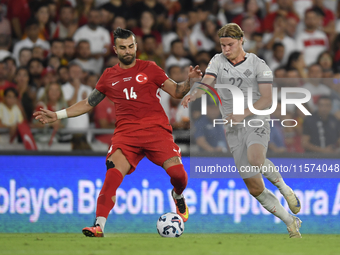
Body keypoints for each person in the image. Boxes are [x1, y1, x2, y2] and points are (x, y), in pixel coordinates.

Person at [34, 28, 202, 237]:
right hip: (126, 135)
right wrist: (57, 115)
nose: (128, 51)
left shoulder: (150, 68)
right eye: (123, 47)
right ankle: (98, 225)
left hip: (156, 131)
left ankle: (177, 196)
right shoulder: (108, 76)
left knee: (179, 176)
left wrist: (190, 82)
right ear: (115, 49)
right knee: (112, 177)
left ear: (136, 46)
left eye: (131, 46)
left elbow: (177, 91)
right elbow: (88, 103)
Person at [182, 23, 302, 238]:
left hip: (256, 119)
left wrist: (242, 113)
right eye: (222, 45)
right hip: (232, 127)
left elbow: (266, 98)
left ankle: (285, 188)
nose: (225, 49)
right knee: (255, 188)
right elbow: (207, 82)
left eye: (230, 44)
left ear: (241, 41)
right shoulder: (217, 61)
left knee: (255, 158)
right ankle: (290, 222)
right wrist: (194, 93)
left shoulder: (258, 64)